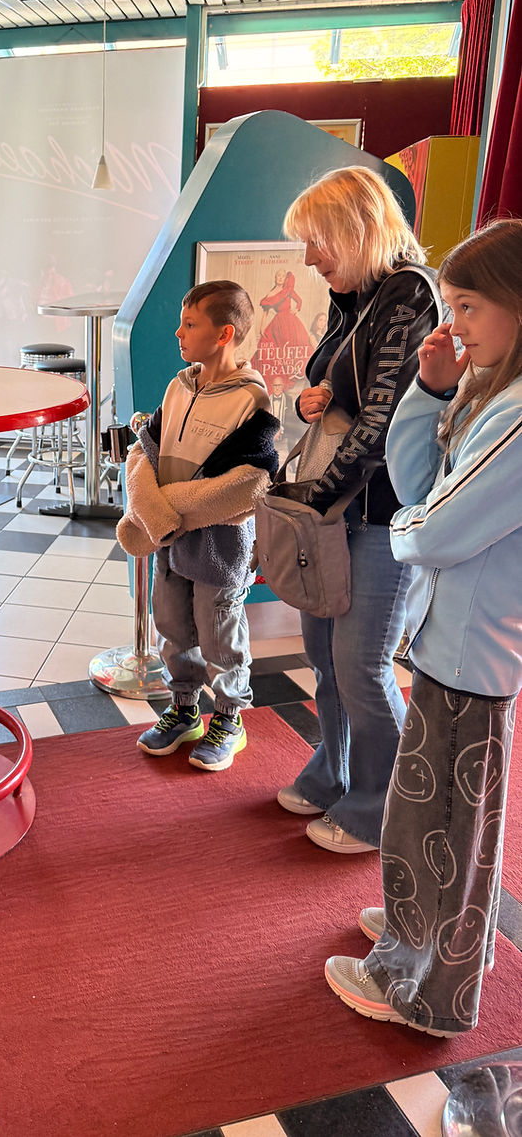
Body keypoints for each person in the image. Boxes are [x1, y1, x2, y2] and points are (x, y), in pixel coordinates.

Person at [325, 219, 522, 1036]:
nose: (457, 325)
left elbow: (432, 526)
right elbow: (419, 479)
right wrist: (430, 388)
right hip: (454, 644)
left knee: (443, 827)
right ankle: (415, 938)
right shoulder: (491, 395)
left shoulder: (518, 415)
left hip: (474, 653)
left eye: (469, 306)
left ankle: (427, 985)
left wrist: (408, 527)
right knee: (433, 818)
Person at [278, 166, 441, 852]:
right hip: (343, 507)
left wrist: (309, 501)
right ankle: (335, 768)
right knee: (323, 649)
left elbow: (382, 422)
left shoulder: (409, 296)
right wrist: (307, 399)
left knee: (362, 660)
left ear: (355, 231)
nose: (310, 260)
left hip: (382, 510)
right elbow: (328, 381)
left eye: (318, 244)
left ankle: (383, 805)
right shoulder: (362, 293)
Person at [117, 280, 279, 770]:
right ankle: (184, 709)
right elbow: (147, 448)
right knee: (172, 624)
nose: (178, 332)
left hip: (219, 545)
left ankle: (229, 717)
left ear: (225, 333)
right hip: (170, 541)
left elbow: (249, 482)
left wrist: (169, 508)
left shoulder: (251, 400)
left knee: (218, 631)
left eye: (190, 325)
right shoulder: (178, 386)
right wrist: (157, 512)